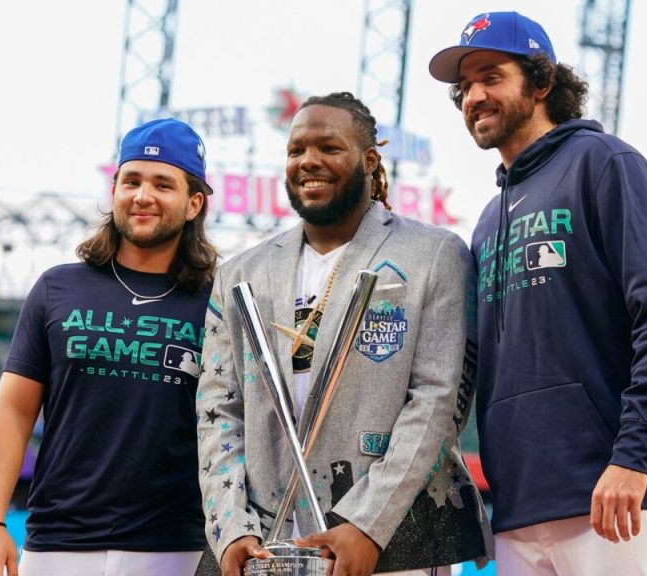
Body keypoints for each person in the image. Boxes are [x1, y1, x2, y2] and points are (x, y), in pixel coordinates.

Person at [429, 11, 647, 575]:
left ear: (543, 81)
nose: (473, 96)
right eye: (464, 86)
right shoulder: (485, 220)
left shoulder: (605, 165)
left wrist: (634, 456)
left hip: (616, 493)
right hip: (520, 505)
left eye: (491, 76)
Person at [197, 92, 492, 576]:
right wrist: (231, 529)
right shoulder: (240, 274)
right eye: (296, 151)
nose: (308, 161)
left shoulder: (435, 255)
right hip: (265, 543)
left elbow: (439, 402)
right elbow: (218, 411)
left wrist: (367, 524)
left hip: (392, 539)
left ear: (369, 160)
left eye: (329, 147)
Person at [0, 118, 219, 576]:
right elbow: (14, 409)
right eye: (132, 181)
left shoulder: (217, 299)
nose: (142, 195)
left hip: (175, 549)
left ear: (193, 204)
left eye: (163, 184)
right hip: (57, 545)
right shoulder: (58, 287)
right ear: (115, 190)